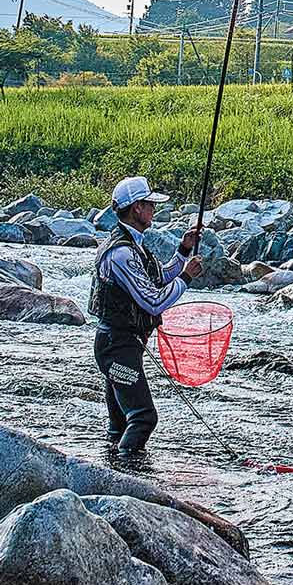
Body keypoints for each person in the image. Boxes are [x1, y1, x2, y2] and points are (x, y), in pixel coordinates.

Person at [89, 175, 203, 459]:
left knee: (119, 425)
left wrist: (183, 250)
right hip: (117, 349)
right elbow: (153, 301)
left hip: (120, 346)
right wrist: (187, 278)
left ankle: (112, 471)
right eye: (150, 204)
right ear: (137, 208)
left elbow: (158, 277)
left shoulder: (133, 244)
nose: (154, 209)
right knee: (143, 418)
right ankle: (130, 473)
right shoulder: (122, 253)